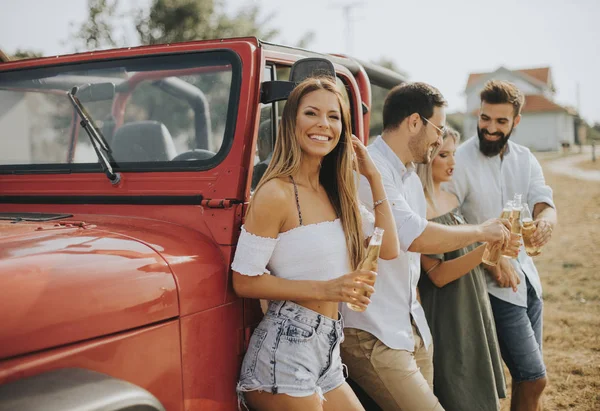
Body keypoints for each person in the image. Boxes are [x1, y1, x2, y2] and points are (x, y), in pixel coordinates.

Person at [340, 82, 512, 411]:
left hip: (409, 325)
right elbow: (413, 236)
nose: (440, 138)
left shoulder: (409, 178)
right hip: (373, 331)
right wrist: (482, 231)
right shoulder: (367, 170)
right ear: (415, 122)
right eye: (439, 128)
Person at [231, 76, 400, 411]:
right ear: (292, 121)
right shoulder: (275, 193)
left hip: (327, 349)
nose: (323, 124)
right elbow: (244, 281)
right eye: (312, 113)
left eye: (334, 116)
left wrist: (374, 177)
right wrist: (329, 290)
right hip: (285, 349)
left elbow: (391, 247)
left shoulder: (335, 192)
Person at [446, 80, 557, 411]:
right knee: (534, 377)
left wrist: (547, 221)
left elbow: (542, 200)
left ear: (516, 121)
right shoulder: (459, 160)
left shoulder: (525, 159)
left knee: (527, 379)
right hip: (488, 286)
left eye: (500, 121)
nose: (490, 129)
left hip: (528, 281)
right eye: (485, 119)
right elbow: (447, 218)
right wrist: (491, 258)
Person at [416, 127, 517, 411]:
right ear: (425, 158)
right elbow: (438, 275)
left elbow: (468, 252)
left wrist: (499, 250)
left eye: (454, 155)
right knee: (457, 391)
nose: (452, 163)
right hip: (447, 313)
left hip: (472, 303)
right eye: (443, 155)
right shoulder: (419, 209)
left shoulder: (451, 199)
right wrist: (486, 246)